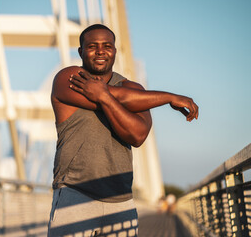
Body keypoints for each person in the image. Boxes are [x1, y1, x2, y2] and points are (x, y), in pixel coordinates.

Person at [48, 24, 198, 237]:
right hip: (74, 196)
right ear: (81, 52)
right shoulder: (69, 78)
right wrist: (168, 97)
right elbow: (125, 98)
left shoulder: (135, 89)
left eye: (107, 46)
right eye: (92, 46)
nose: (100, 51)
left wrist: (103, 95)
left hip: (121, 202)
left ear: (115, 51)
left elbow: (137, 135)